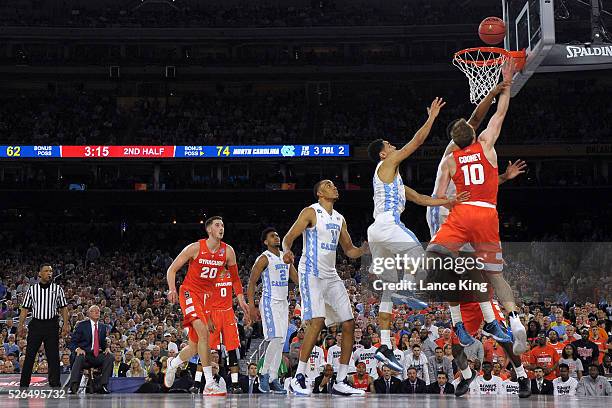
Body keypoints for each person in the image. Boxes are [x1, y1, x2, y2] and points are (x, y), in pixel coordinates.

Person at [427, 68, 527, 355]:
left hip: (455, 211)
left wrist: (504, 179)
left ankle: (472, 321)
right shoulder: (483, 144)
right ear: (471, 132)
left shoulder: (452, 158)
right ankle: (508, 318)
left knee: (446, 265)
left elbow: (439, 196)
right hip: (476, 213)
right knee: (485, 272)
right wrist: (500, 90)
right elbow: (488, 117)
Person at [366, 98, 466, 373]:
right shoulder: (387, 165)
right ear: (383, 154)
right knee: (419, 259)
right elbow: (415, 143)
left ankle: (384, 346)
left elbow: (422, 198)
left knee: (387, 289)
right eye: (387, 145)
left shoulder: (393, 179)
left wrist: (449, 202)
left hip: (377, 232)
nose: (392, 145)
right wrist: (432, 117)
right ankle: (407, 288)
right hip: (387, 225)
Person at [282, 180, 368, 396]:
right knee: (318, 320)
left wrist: (365, 249)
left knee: (349, 322)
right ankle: (298, 376)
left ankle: (340, 380)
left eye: (334, 185)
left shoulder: (339, 219)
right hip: (311, 273)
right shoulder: (311, 212)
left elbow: (349, 250)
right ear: (320, 192)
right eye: (329, 185)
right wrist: (287, 251)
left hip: (330, 275)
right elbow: (288, 238)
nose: (335, 187)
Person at [165, 216, 247, 396]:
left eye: (223, 225)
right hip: (189, 292)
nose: (221, 228)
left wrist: (241, 298)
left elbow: (234, 278)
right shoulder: (195, 248)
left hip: (207, 298)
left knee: (195, 346)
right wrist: (172, 289)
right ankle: (209, 383)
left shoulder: (228, 251)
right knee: (203, 334)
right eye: (217, 225)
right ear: (209, 230)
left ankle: (173, 363)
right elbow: (171, 269)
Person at [247, 227, 299, 394]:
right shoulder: (264, 258)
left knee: (281, 341)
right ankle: (263, 374)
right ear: (265, 241)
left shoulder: (285, 256)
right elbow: (252, 283)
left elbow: (296, 278)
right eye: (272, 236)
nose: (276, 237)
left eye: (277, 235)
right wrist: (251, 306)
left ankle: (273, 377)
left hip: (283, 303)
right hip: (269, 302)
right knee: (275, 338)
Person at [205, 222, 251, 394]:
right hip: (212, 312)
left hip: (227, 312)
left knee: (232, 349)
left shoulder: (229, 265)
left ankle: (235, 383)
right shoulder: (208, 272)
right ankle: (207, 381)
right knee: (211, 350)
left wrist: (241, 299)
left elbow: (237, 281)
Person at [18, 264, 69, 388]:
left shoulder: (57, 289)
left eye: (51, 271)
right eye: (46, 271)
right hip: (36, 324)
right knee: (30, 354)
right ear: (40, 274)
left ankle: (55, 383)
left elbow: (63, 308)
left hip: (51, 324)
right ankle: (24, 383)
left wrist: (66, 325)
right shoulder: (32, 289)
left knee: (53, 356)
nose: (49, 273)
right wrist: (20, 325)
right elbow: (25, 309)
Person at [67, 305, 114, 394]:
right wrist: (77, 349)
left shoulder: (103, 327)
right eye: (94, 310)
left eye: (98, 311)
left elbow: (102, 342)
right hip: (84, 355)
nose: (97, 312)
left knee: (110, 356)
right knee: (80, 356)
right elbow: (72, 342)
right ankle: (73, 386)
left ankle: (103, 385)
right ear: (89, 313)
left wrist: (107, 348)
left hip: (96, 356)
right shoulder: (82, 325)